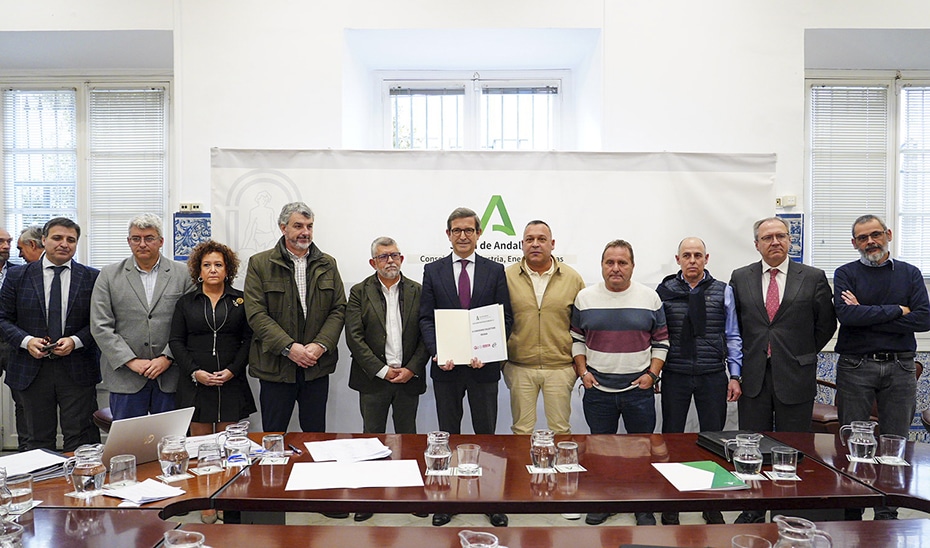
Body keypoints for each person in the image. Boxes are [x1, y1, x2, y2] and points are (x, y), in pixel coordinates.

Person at [729, 217, 836, 523]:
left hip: (796, 374)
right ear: (757, 244)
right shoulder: (741, 277)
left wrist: (800, 353)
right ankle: (752, 509)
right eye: (767, 237)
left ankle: (788, 509)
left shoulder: (813, 277)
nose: (775, 242)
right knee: (752, 446)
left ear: (790, 240)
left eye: (780, 236)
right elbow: (735, 325)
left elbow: (826, 324)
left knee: (793, 446)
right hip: (753, 377)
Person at [418, 207, 512, 528]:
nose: (462, 236)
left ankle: (490, 500)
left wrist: (490, 351)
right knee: (448, 436)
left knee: (486, 437)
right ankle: (447, 499)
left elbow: (505, 318)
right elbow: (426, 318)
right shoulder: (433, 271)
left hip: (483, 368)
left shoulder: (494, 270)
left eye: (468, 230)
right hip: (446, 369)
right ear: (448, 234)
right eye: (456, 230)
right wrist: (437, 351)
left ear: (478, 234)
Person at [834, 214, 930, 521]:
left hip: (901, 367)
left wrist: (866, 313)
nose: (870, 242)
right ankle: (852, 508)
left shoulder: (910, 273)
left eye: (875, 234)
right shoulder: (845, 273)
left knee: (895, 444)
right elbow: (847, 317)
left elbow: (923, 319)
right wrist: (898, 311)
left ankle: (886, 512)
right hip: (856, 365)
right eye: (863, 238)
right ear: (854, 243)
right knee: (852, 441)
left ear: (888, 234)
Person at [571, 239, 669, 527]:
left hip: (639, 390)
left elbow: (662, 342)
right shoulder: (584, 298)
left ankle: (642, 505)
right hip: (598, 390)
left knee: (641, 450)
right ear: (602, 265)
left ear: (632, 266)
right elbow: (576, 339)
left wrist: (652, 376)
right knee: (601, 452)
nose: (616, 268)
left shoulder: (650, 298)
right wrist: (583, 373)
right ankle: (605, 502)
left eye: (622, 262)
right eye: (610, 262)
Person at [655, 237, 743, 526]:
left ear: (707, 258)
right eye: (686, 255)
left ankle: (710, 502)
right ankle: (671, 502)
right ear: (677, 259)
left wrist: (734, 375)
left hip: (712, 374)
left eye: (697, 255)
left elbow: (732, 335)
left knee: (713, 440)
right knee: (672, 439)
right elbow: (656, 335)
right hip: (675, 374)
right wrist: (655, 371)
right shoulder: (664, 291)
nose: (692, 260)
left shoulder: (723, 291)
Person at [345, 237, 430, 523]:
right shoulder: (359, 292)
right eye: (383, 257)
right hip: (373, 379)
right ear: (373, 262)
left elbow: (426, 335)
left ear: (402, 259)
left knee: (409, 438)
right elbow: (354, 337)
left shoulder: (418, 291)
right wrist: (382, 370)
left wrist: (412, 369)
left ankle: (412, 495)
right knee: (372, 438)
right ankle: (370, 497)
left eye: (394, 255)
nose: (390, 261)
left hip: (408, 378)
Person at [243, 202, 346, 434]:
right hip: (276, 367)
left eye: (309, 226)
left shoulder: (328, 263)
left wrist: (320, 345)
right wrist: (289, 348)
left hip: (315, 366)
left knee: (315, 436)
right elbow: (256, 314)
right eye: (298, 226)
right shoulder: (260, 264)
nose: (305, 232)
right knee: (273, 436)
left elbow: (339, 309)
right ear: (283, 228)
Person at [0, 218, 101, 451]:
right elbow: (3, 318)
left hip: (77, 369)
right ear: (43, 240)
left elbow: (100, 322)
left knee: (81, 441)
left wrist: (75, 341)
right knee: (36, 442)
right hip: (30, 369)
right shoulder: (17, 276)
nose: (64, 244)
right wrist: (27, 341)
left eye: (71, 240)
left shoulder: (92, 277)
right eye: (57, 238)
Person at [91, 214, 195, 420]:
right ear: (128, 241)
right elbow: (100, 325)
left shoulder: (183, 274)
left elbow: (191, 323)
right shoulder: (109, 275)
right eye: (136, 238)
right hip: (126, 376)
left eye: (149, 238)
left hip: (170, 376)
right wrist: (130, 360)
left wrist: (167, 358)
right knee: (129, 438)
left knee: (169, 437)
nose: (142, 244)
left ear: (161, 241)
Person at [504, 220, 585, 436]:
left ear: (552, 244)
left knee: (561, 430)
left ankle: (560, 462)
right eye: (529, 239)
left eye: (541, 239)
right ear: (522, 244)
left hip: (560, 368)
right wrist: (504, 363)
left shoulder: (572, 278)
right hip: (519, 367)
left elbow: (582, 327)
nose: (535, 244)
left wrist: (578, 365)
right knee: (521, 431)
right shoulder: (506, 277)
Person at [169, 240, 256, 435]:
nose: (213, 270)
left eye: (218, 265)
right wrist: (194, 372)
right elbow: (176, 341)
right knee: (201, 447)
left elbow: (250, 340)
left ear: (227, 270)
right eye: (207, 265)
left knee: (228, 444)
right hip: (195, 383)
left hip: (231, 382)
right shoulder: (186, 302)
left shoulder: (241, 300)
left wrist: (233, 370)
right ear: (199, 271)